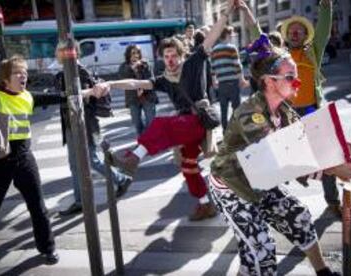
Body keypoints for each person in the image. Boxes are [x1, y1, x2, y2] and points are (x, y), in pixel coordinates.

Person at [209, 35, 351, 276]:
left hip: (261, 179)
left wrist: (337, 150)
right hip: (232, 186)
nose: (297, 81)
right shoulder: (250, 113)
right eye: (290, 76)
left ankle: (322, 272)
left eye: (296, 75)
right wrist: (331, 169)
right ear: (268, 81)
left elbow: (304, 141)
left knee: (299, 217)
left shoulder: (284, 110)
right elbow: (275, 154)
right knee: (261, 251)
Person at [95, 0, 244, 221]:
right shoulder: (165, 78)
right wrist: (110, 85)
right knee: (188, 165)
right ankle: (205, 205)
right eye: (166, 56)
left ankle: (133, 158)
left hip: (197, 121)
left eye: (174, 55)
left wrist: (226, 13)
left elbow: (211, 37)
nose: (170, 60)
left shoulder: (194, 63)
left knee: (160, 124)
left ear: (182, 55)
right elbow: (137, 84)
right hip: (185, 127)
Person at [241, 0, 343, 216]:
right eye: (293, 30)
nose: (296, 33)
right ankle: (272, 203)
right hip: (286, 114)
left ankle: (333, 201)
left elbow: (323, 30)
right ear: (287, 35)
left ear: (306, 35)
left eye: (300, 31)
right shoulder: (277, 55)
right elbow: (259, 38)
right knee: (279, 159)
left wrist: (325, 7)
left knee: (327, 156)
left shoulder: (312, 52)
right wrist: (247, 13)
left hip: (311, 110)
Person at [0, 56, 62, 275]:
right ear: (5, 79)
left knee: (38, 207)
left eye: (25, 72)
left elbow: (57, 98)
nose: (23, 76)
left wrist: (85, 93)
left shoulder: (27, 96)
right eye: (18, 73)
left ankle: (48, 248)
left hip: (24, 159)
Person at [54, 45, 132, 215]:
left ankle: (122, 179)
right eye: (58, 50)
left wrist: (68, 95)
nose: (57, 53)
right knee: (75, 165)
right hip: (70, 125)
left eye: (60, 50)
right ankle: (80, 201)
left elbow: (87, 97)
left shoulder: (79, 72)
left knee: (92, 160)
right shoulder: (62, 74)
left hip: (84, 125)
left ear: (71, 52)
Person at [211, 25, 249, 131]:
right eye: (231, 34)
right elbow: (237, 66)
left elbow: (212, 68)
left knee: (223, 109)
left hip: (222, 84)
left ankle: (225, 131)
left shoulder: (214, 50)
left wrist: (214, 82)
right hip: (233, 83)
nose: (232, 36)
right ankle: (235, 130)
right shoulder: (231, 48)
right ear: (227, 35)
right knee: (236, 109)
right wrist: (242, 80)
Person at [118, 44, 157, 135]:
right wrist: (132, 67)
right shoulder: (124, 66)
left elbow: (152, 79)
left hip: (147, 96)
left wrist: (143, 87)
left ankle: (148, 140)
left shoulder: (145, 64)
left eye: (137, 53)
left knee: (151, 121)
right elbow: (122, 78)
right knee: (136, 122)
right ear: (128, 55)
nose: (136, 55)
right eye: (133, 53)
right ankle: (141, 140)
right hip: (133, 99)